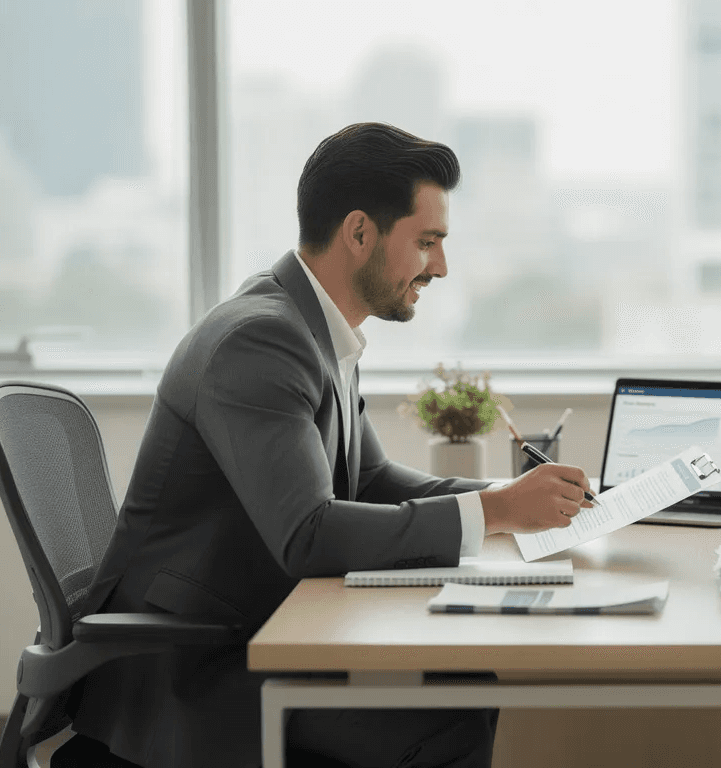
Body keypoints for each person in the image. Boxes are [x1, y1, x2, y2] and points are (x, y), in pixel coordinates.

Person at [72, 122, 595, 768]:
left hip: (250, 635)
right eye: (427, 242)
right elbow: (308, 535)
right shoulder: (261, 342)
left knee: (461, 686)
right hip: (193, 674)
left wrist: (510, 498)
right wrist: (497, 514)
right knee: (450, 714)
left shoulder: (313, 331)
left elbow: (371, 479)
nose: (441, 266)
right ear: (358, 233)